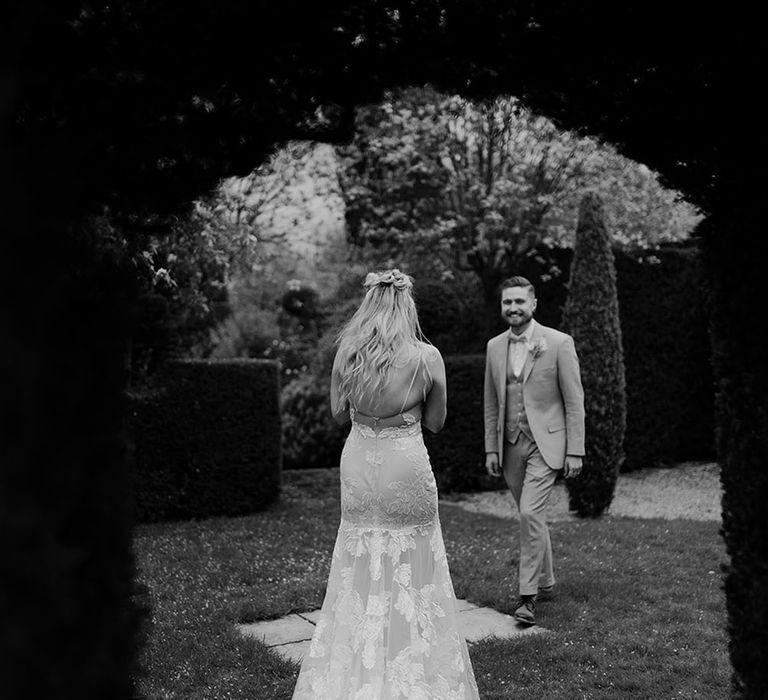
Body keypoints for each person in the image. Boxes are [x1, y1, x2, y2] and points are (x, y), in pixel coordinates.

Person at [293, 269, 480, 700]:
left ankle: (356, 664)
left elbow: (339, 415)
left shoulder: (348, 353)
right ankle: (413, 665)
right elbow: (436, 423)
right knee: (415, 564)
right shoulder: (426, 357)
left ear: (368, 306)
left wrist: (371, 414)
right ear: (406, 306)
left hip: (360, 464)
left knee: (358, 559)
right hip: (405, 465)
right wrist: (405, 414)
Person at [483, 276, 585, 627]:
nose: (513, 308)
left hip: (548, 443)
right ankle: (548, 580)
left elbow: (574, 401)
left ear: (534, 304)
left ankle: (527, 598)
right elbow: (491, 403)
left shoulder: (558, 343)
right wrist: (490, 450)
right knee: (533, 516)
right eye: (507, 302)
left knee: (528, 513)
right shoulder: (494, 346)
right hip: (510, 445)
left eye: (519, 302)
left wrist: (576, 451)